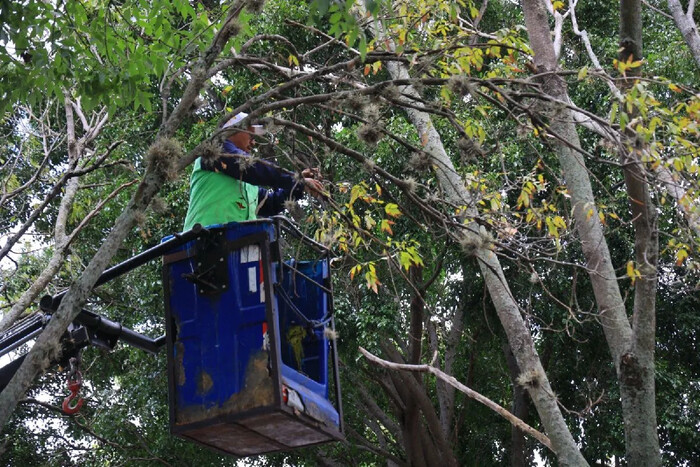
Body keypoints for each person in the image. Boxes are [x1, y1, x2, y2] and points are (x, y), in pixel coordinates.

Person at [183, 113, 324, 231]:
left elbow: (272, 203)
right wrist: (294, 179)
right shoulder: (215, 149)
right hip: (201, 242)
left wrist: (299, 185)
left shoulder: (247, 186)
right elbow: (252, 168)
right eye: (250, 135)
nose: (253, 142)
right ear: (234, 130)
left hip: (235, 249)